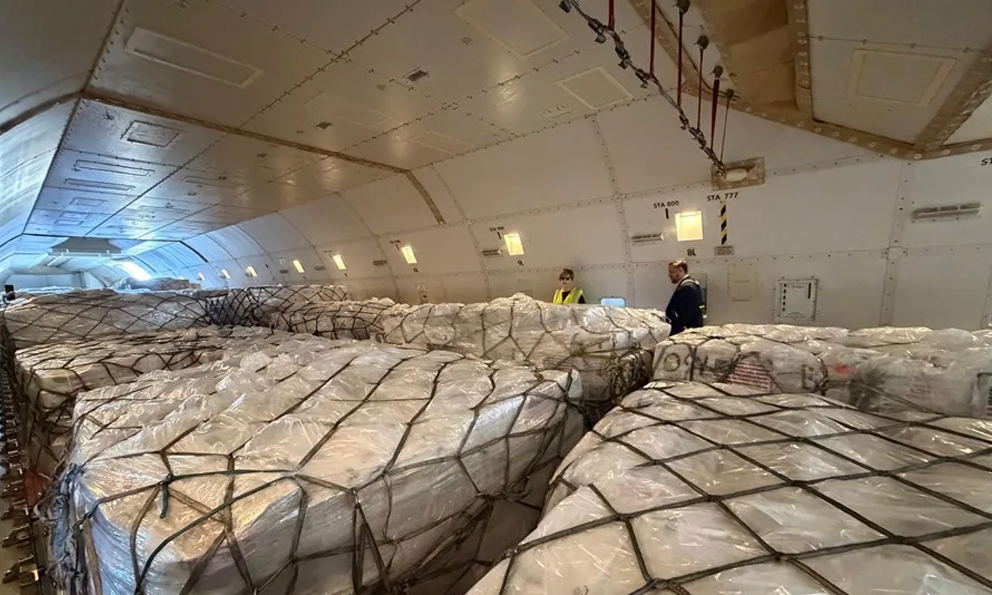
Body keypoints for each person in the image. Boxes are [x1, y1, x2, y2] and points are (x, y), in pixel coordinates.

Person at [665, 260, 702, 334]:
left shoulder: (687, 287)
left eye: (671, 272)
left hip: (685, 332)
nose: (669, 275)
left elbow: (686, 313)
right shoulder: (692, 284)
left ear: (680, 270)